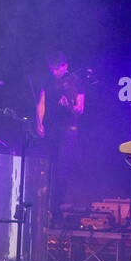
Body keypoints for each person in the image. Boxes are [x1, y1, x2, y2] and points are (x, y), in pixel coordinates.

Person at [36, 50, 84, 226]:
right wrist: (39, 122)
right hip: (51, 130)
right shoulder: (48, 82)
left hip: (67, 130)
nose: (54, 72)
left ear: (65, 66)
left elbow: (80, 108)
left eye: (57, 69)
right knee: (46, 168)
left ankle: (57, 210)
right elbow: (42, 102)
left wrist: (70, 105)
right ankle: (45, 209)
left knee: (61, 170)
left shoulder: (75, 82)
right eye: (52, 69)